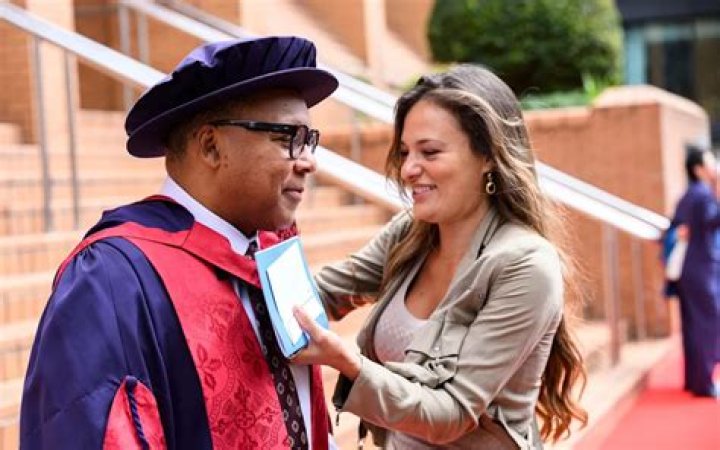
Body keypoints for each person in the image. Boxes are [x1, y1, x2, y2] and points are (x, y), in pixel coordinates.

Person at [20, 36, 339, 449]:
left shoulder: (269, 252)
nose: (309, 161)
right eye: (287, 138)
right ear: (211, 146)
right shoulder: (113, 280)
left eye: (308, 139)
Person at [293, 64, 588, 449]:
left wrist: (349, 364)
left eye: (429, 152)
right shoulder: (411, 232)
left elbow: (452, 414)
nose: (408, 169)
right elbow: (323, 292)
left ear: (488, 155)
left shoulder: (525, 265)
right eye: (404, 152)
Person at [669, 144, 720, 398]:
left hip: (689, 269)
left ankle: (695, 379)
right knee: (707, 324)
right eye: (710, 163)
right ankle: (704, 382)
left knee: (693, 325)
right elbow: (712, 221)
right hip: (701, 268)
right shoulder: (704, 195)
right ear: (698, 169)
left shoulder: (689, 195)